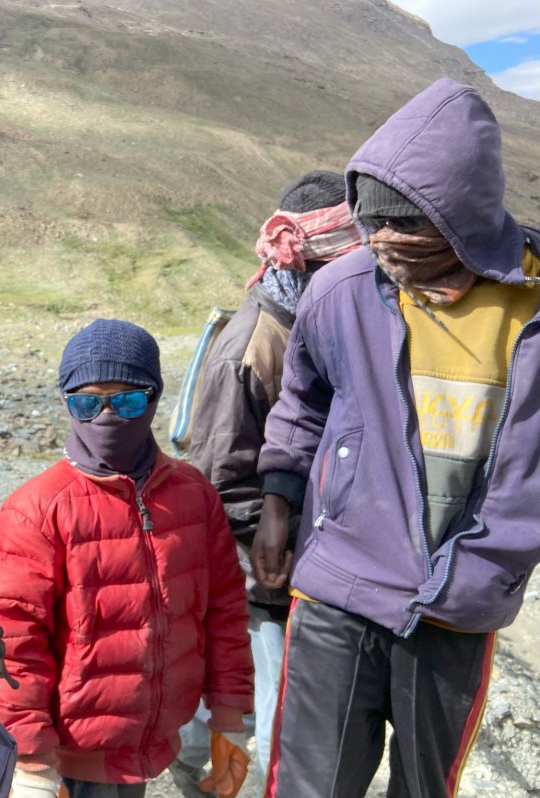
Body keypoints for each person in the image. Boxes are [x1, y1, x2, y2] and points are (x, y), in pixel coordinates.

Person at [252, 78, 540, 798]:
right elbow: (303, 399)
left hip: (457, 608)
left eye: (402, 225)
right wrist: (280, 502)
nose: (380, 242)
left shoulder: (530, 308)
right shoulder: (342, 289)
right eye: (368, 223)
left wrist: (490, 571)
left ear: (462, 219)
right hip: (339, 591)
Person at [0, 319, 254, 798]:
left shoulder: (193, 496)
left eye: (126, 401)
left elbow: (225, 614)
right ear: (68, 403)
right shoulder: (38, 508)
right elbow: (11, 643)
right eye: (88, 403)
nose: (107, 417)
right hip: (66, 756)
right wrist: (31, 759)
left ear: (153, 397)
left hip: (151, 743)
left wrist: (230, 718)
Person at [170, 170, 360, 796]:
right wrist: (296, 534)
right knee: (272, 710)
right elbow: (219, 487)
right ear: (311, 260)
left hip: (302, 561)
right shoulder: (251, 349)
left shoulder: (314, 322)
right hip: (263, 572)